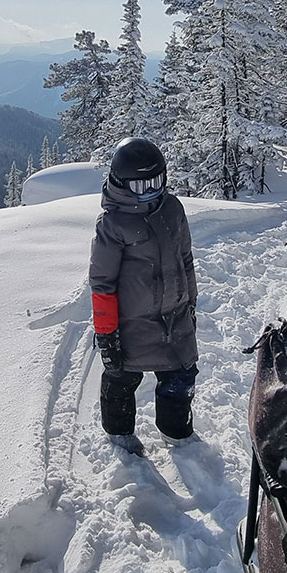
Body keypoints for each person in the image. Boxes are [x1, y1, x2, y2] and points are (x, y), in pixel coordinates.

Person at [89, 137, 198, 451]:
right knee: (121, 379)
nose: (150, 191)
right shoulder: (112, 225)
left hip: (175, 317)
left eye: (156, 182)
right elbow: (102, 283)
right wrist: (107, 335)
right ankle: (119, 434)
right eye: (140, 186)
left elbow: (185, 258)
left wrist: (190, 301)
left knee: (180, 377)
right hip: (131, 324)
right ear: (122, 184)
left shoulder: (172, 207)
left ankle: (176, 433)